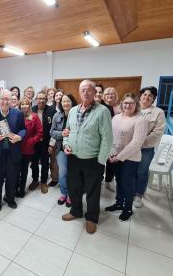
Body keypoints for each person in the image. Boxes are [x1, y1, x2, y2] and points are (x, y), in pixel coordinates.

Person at [62, 80, 113, 234]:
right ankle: (76, 211)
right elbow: (67, 131)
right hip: (73, 157)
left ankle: (91, 218)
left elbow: (107, 138)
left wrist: (101, 160)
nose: (85, 92)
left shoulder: (102, 111)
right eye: (82, 90)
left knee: (92, 190)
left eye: (89, 90)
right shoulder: (73, 110)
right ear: (79, 92)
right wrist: (65, 145)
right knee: (74, 187)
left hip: (93, 159)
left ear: (94, 92)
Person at [105, 93, 148, 221]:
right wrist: (110, 153)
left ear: (136, 105)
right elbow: (110, 136)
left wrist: (119, 157)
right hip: (114, 156)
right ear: (122, 104)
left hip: (130, 158)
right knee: (119, 181)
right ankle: (119, 203)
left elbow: (136, 143)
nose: (128, 105)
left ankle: (128, 208)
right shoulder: (116, 118)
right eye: (125, 103)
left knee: (128, 184)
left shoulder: (141, 120)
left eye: (131, 103)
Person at [0, 89, 26, 211]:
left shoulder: (18, 113)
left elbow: (23, 129)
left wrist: (19, 136)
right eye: (3, 99)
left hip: (13, 151)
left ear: (11, 100)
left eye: (8, 99)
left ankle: (10, 199)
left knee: (12, 178)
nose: (5, 101)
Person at [134, 86, 165, 208]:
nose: (146, 97)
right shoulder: (133, 108)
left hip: (146, 148)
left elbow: (158, 132)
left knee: (141, 171)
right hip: (130, 147)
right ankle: (130, 191)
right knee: (131, 170)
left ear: (153, 99)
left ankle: (139, 195)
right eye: (144, 94)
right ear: (140, 96)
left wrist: (140, 143)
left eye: (150, 96)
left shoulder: (158, 112)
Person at [49, 94, 76, 207]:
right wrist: (62, 133)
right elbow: (52, 132)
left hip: (76, 149)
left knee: (73, 173)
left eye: (68, 101)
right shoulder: (57, 115)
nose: (66, 103)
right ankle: (64, 193)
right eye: (63, 101)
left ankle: (71, 195)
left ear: (72, 102)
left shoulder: (77, 115)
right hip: (61, 148)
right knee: (62, 173)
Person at [30, 91, 56, 193]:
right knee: (34, 162)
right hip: (34, 142)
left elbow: (54, 129)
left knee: (45, 163)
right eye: (39, 98)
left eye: (43, 98)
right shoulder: (32, 110)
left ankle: (43, 182)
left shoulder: (52, 111)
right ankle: (35, 180)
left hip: (46, 143)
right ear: (36, 99)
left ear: (46, 100)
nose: (41, 100)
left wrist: (51, 144)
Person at [18, 97, 43, 197]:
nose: (24, 106)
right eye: (22, 104)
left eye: (26, 104)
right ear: (20, 106)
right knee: (15, 170)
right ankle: (15, 188)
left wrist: (31, 141)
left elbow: (39, 132)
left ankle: (21, 190)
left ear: (29, 105)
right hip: (16, 147)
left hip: (27, 148)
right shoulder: (16, 116)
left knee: (24, 170)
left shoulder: (34, 117)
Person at [103, 87, 120, 190]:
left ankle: (109, 181)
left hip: (116, 139)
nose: (109, 95)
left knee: (112, 161)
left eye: (112, 93)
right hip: (103, 138)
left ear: (116, 95)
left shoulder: (120, 107)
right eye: (107, 93)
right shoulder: (101, 106)